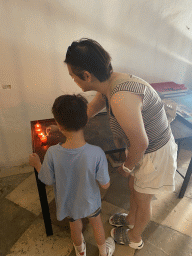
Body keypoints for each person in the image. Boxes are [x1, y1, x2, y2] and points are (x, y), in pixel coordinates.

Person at [62, 38, 178, 250]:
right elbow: (94, 106)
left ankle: (135, 237)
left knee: (143, 197)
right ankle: (131, 219)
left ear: (86, 75)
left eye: (73, 76)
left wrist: (126, 167)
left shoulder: (120, 97)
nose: (73, 81)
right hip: (142, 148)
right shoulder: (111, 82)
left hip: (154, 152)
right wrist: (69, 127)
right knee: (134, 186)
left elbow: (141, 143)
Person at [29, 94, 115, 256]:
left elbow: (47, 179)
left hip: (69, 203)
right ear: (86, 121)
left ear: (59, 125)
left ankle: (80, 252)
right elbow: (105, 185)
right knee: (97, 224)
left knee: (75, 227)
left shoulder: (53, 153)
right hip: (90, 202)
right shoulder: (96, 153)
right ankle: (104, 251)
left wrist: (37, 164)